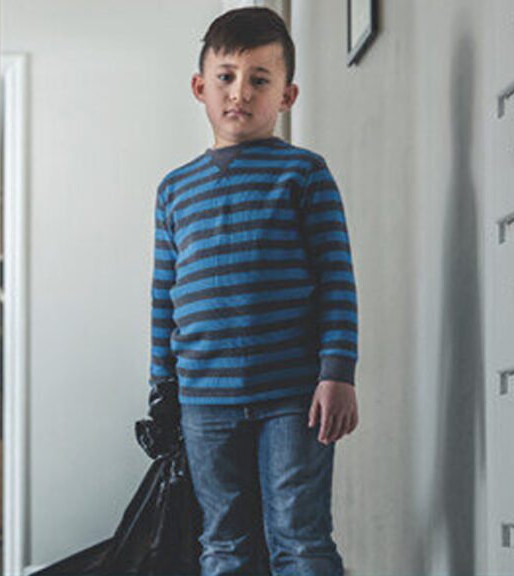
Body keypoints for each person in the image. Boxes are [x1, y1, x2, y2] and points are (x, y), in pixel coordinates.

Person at [147, 7, 359, 575]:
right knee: (223, 543)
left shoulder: (304, 175)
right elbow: (164, 295)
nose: (240, 92)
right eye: (226, 76)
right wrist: (161, 385)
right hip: (203, 402)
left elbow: (337, 279)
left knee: (299, 537)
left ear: (287, 96)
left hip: (292, 395)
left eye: (259, 80)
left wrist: (337, 372)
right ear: (200, 86)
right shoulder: (174, 191)